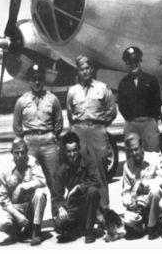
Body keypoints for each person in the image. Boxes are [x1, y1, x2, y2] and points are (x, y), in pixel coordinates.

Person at [66, 55, 117, 210]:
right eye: (82, 69)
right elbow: (70, 113)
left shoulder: (103, 88)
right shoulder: (72, 91)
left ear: (92, 69)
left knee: (100, 170)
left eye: (87, 68)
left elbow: (112, 110)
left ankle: (104, 211)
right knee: (80, 170)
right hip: (79, 130)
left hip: (97, 130)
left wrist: (100, 125)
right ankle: (85, 212)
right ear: (78, 71)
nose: (85, 72)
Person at [13, 63, 63, 204]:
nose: (37, 82)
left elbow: (58, 123)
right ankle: (31, 221)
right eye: (34, 79)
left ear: (43, 79)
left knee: (55, 181)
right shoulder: (21, 101)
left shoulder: (52, 99)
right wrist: (25, 140)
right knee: (29, 181)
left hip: (48, 142)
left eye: (39, 78)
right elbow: (17, 126)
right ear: (29, 81)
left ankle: (59, 217)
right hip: (30, 144)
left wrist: (53, 136)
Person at [52, 131, 101, 244]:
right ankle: (78, 225)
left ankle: (89, 230)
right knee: (60, 224)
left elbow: (97, 180)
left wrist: (79, 187)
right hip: (73, 203)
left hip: (88, 201)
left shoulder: (87, 160)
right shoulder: (61, 168)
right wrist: (60, 208)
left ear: (79, 149)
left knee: (93, 191)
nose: (72, 154)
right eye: (69, 151)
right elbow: (56, 195)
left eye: (74, 150)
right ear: (65, 152)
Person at [0, 139, 47, 246]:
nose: (20, 155)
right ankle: (17, 234)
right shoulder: (6, 169)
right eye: (17, 153)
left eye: (23, 152)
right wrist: (18, 215)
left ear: (26, 152)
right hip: (15, 208)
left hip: (30, 206)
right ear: (12, 153)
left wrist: (23, 186)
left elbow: (42, 181)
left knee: (40, 193)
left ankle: (36, 231)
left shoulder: (32, 162)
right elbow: (2, 199)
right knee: (0, 223)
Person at [121, 133, 162, 240]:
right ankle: (146, 224)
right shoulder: (127, 166)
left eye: (136, 149)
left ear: (142, 147)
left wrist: (147, 184)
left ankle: (152, 226)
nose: (134, 153)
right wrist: (129, 202)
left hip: (152, 199)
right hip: (138, 204)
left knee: (156, 191)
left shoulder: (155, 157)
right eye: (131, 150)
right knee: (128, 220)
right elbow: (125, 192)